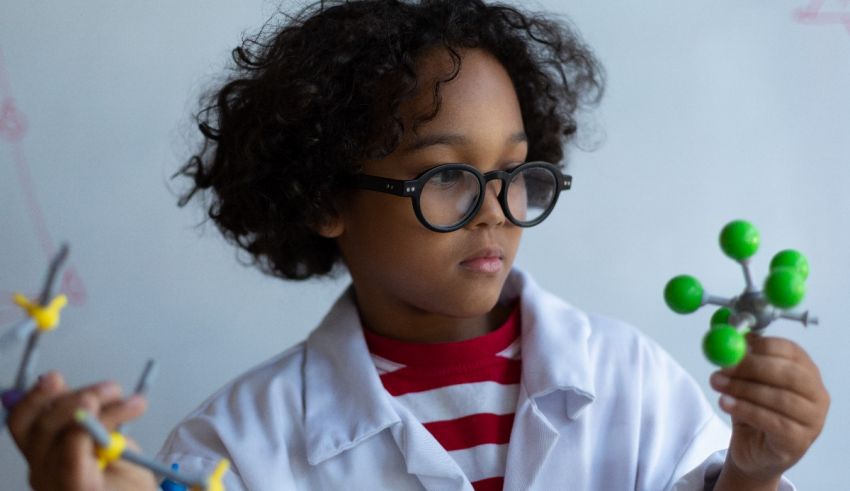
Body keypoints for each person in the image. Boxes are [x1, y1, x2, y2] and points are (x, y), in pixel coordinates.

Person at [7, 1, 830, 490]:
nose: (497, 212)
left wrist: (754, 472)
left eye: (514, 171)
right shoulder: (236, 446)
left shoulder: (632, 383)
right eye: (447, 177)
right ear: (327, 195)